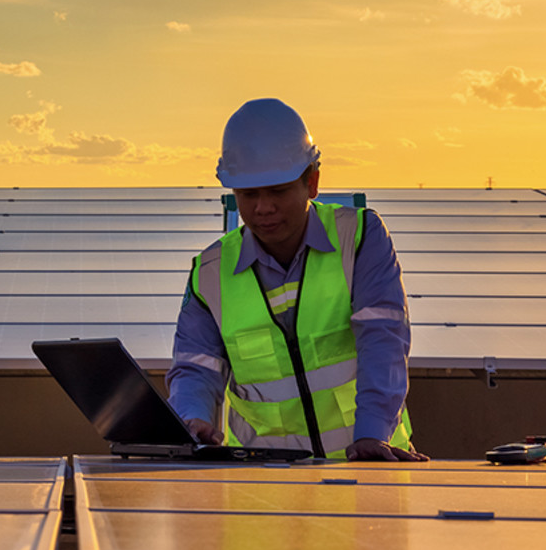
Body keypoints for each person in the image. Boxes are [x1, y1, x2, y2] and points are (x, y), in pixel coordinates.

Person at [166, 98, 427, 461]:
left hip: (370, 471)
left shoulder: (360, 237)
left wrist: (372, 435)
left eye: (277, 190)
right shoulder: (209, 273)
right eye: (248, 194)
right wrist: (191, 421)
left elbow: (383, 342)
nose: (263, 208)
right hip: (265, 490)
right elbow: (196, 367)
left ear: (313, 182)